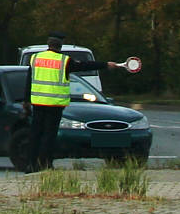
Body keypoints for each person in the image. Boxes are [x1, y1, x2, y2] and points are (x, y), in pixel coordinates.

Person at [23, 33, 127, 172]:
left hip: (38, 103)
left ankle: (31, 165)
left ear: (48, 44)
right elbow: (84, 66)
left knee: (35, 134)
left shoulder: (35, 58)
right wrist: (105, 65)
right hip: (55, 104)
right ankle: (45, 164)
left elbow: (29, 79)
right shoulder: (64, 61)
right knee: (49, 135)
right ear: (60, 46)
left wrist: (26, 100)